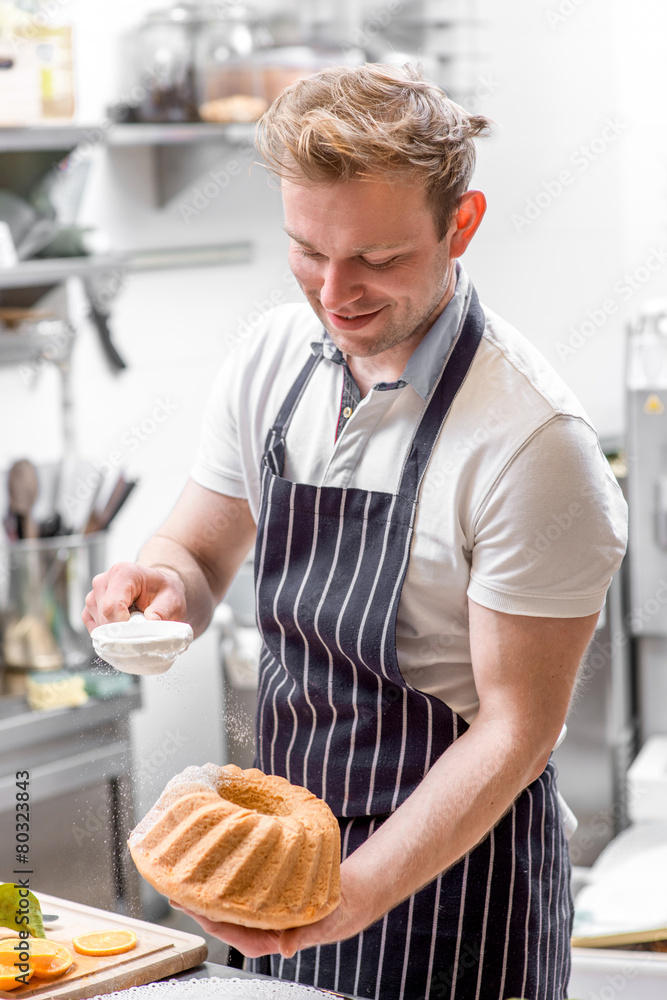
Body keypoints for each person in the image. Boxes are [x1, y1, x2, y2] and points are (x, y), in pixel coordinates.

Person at [84, 64, 627, 1000]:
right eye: (306, 251)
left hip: (464, 905)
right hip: (279, 874)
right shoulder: (271, 359)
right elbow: (200, 550)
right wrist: (165, 584)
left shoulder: (533, 446)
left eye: (377, 259)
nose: (335, 295)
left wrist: (348, 896)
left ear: (460, 224)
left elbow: (516, 731)